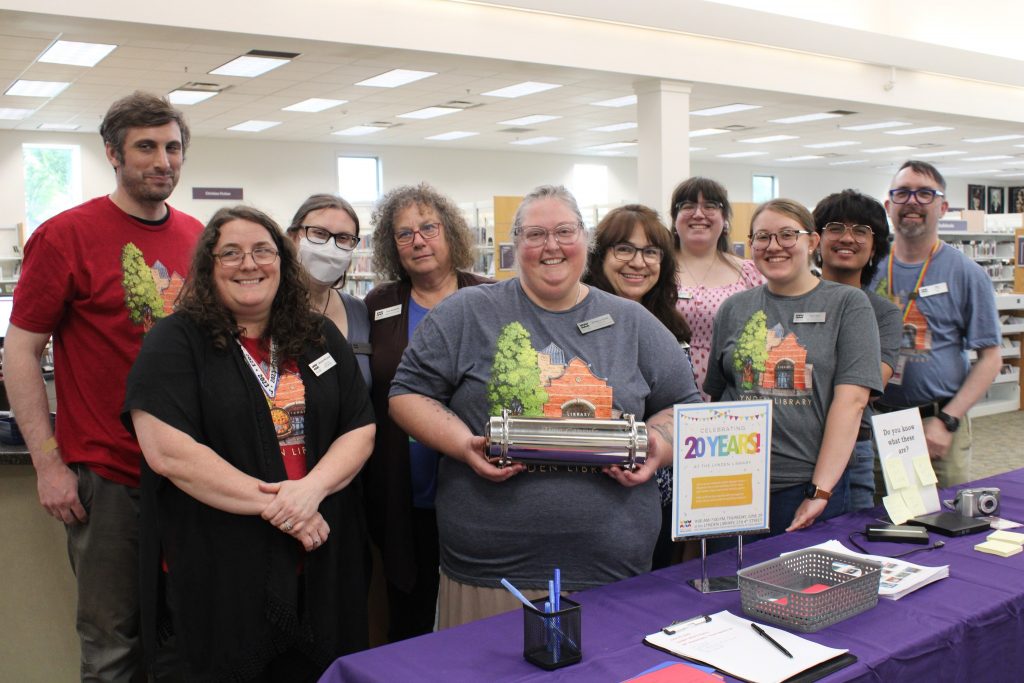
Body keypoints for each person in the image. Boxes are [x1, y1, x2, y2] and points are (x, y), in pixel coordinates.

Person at [389, 185, 700, 628]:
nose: (551, 246)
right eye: (535, 234)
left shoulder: (633, 322)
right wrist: (463, 445)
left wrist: (657, 447)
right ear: (516, 246)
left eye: (564, 231)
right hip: (488, 572)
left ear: (586, 241)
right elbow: (406, 394)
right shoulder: (467, 313)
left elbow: (685, 406)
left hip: (612, 569)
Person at [124, 206, 374, 680]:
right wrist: (282, 507)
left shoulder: (317, 335)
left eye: (262, 250)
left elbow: (360, 426)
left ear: (282, 259)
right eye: (231, 253)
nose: (249, 263)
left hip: (320, 562)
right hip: (225, 566)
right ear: (208, 265)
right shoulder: (175, 341)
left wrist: (310, 490)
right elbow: (168, 451)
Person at [5, 91, 202, 681]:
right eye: (145, 147)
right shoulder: (66, 235)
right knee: (113, 643)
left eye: (172, 147)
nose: (161, 160)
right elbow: (20, 353)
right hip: (108, 476)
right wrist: (48, 465)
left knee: (183, 632)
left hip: (191, 472)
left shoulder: (197, 235)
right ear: (114, 155)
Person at [705, 199, 882, 538]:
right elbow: (720, 400)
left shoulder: (848, 304)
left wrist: (821, 490)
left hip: (806, 486)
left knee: (807, 587)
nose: (774, 247)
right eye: (762, 237)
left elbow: (852, 403)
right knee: (727, 583)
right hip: (735, 484)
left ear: (812, 242)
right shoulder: (733, 309)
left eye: (787, 235)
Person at [363, 182, 492, 642]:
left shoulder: (491, 298)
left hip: (480, 483)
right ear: (391, 247)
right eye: (404, 234)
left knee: (476, 610)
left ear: (450, 234)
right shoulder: (378, 305)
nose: (418, 240)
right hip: (403, 487)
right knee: (410, 611)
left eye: (428, 228)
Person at [870, 161, 1001, 488]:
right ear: (889, 205)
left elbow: (991, 358)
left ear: (943, 207)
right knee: (874, 523)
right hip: (878, 422)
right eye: (902, 193)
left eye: (925, 193)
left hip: (938, 422)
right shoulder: (871, 269)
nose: (912, 201)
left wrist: (948, 419)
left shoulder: (967, 274)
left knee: (943, 524)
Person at [582, 204, 692, 569]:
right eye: (624, 249)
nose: (638, 262)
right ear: (600, 257)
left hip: (663, 495)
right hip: (601, 498)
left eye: (650, 252)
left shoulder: (672, 325)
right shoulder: (579, 323)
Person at [812, 190, 901, 511]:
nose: (846, 238)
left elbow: (871, 386)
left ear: (875, 246)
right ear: (816, 239)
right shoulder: (791, 299)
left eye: (861, 231)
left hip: (853, 448)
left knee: (850, 540)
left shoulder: (884, 314)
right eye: (835, 228)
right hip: (785, 449)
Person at [670, 177, 764, 401]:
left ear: (725, 219)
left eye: (710, 206)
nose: (699, 214)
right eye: (688, 206)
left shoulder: (749, 273)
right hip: (668, 385)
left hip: (733, 388)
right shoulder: (656, 269)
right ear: (674, 219)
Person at [286, 193, 371, 388]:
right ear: (293, 237)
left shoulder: (359, 311)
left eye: (343, 238)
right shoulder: (267, 310)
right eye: (319, 233)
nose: (330, 246)